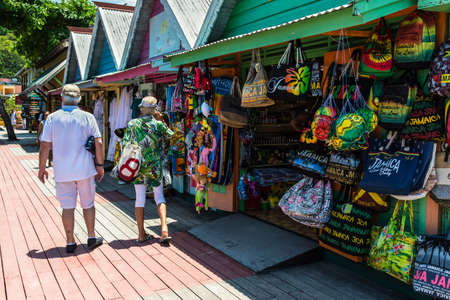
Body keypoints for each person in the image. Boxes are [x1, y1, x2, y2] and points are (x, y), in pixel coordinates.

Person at [38, 84, 104, 253]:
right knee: (88, 204)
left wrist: (42, 168)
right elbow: (99, 142)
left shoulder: (52, 118)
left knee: (67, 207)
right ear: (80, 98)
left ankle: (70, 241)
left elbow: (45, 145)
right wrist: (100, 165)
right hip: (85, 170)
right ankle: (91, 237)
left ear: (62, 98)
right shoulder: (87, 117)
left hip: (62, 172)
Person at [122, 96, 174, 245]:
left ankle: (141, 234)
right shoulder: (158, 125)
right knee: (159, 197)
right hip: (154, 166)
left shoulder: (132, 124)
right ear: (155, 110)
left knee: (140, 198)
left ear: (142, 109)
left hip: (137, 166)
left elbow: (125, 143)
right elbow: (172, 135)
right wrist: (161, 119)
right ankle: (164, 230)